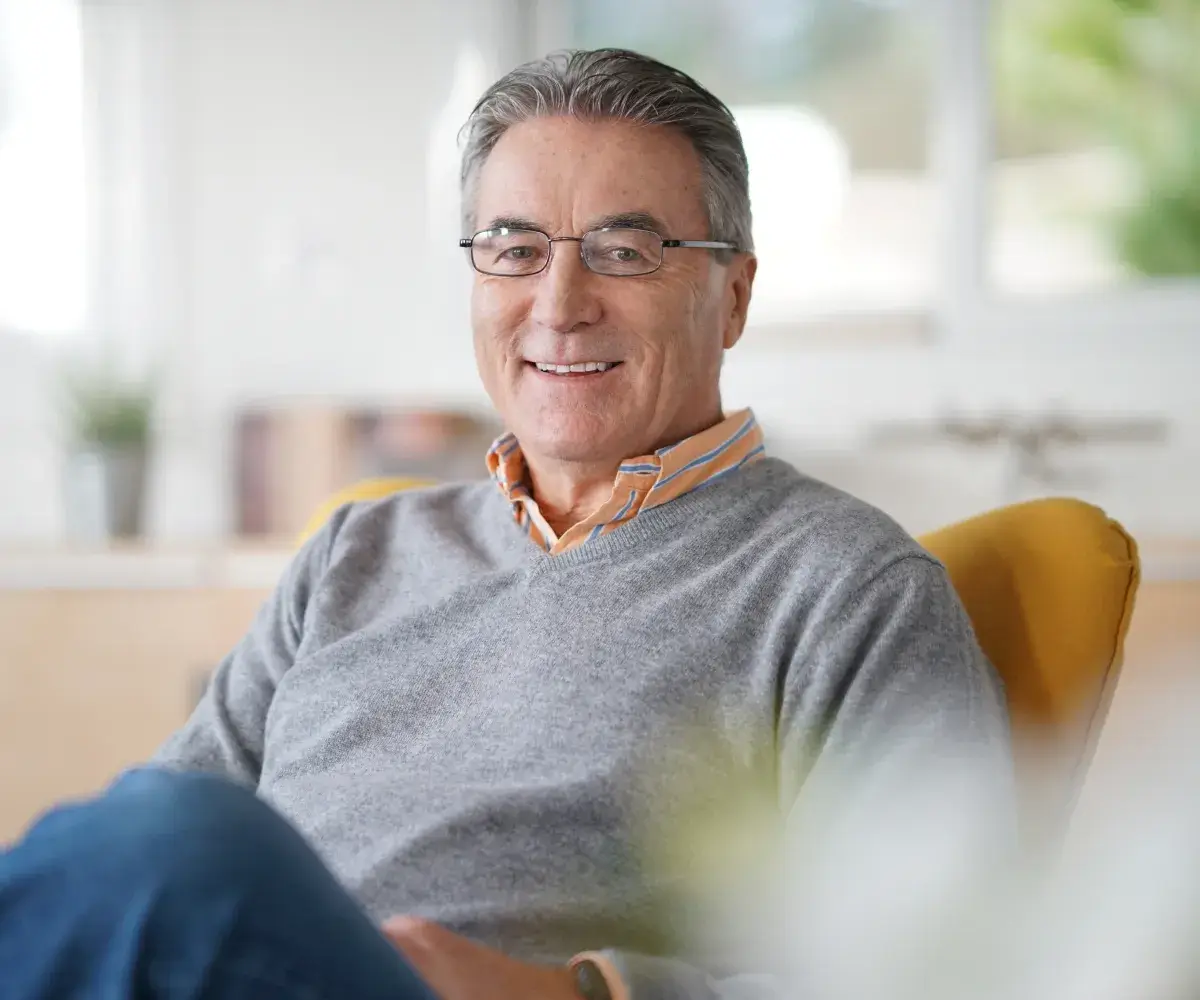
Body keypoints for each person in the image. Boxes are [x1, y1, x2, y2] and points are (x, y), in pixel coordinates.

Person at [0, 48, 1013, 1000]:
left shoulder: (848, 589)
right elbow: (122, 864)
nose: (559, 304)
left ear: (734, 295)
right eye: (515, 249)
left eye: (625, 251)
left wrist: (578, 992)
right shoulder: (356, 552)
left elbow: (941, 975)